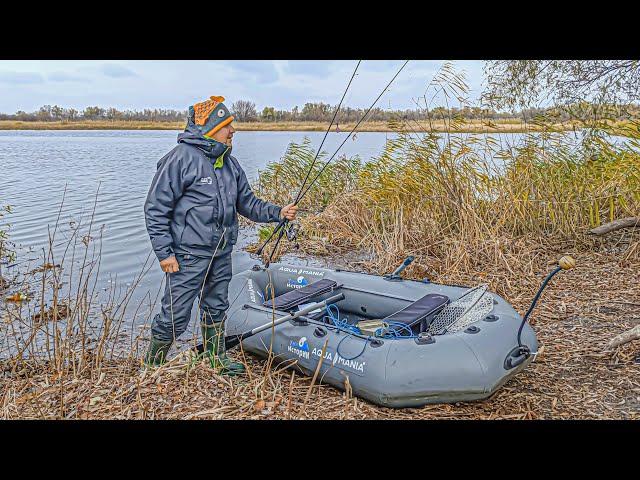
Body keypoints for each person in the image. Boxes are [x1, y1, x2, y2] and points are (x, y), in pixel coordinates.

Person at [143, 95, 298, 374]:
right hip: (187, 255)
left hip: (221, 253)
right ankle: (152, 364)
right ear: (213, 128)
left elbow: (248, 204)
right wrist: (164, 253)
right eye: (228, 125)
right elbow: (155, 209)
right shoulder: (180, 159)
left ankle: (215, 359)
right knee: (176, 314)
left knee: (216, 306)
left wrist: (278, 212)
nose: (233, 130)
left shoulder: (230, 164)